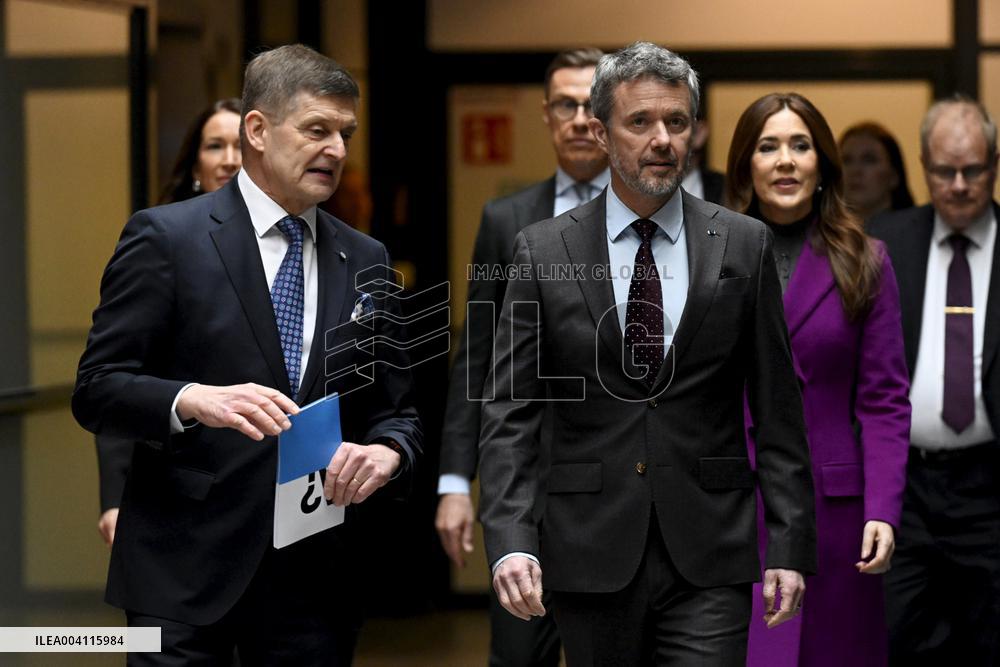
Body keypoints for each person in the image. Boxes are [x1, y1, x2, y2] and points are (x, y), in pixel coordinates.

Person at [73, 44, 422, 665]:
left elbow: (399, 412)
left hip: (315, 578)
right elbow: (98, 388)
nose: (337, 150)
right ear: (257, 130)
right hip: (181, 572)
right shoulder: (166, 237)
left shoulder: (366, 258)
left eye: (346, 134)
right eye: (317, 129)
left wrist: (388, 452)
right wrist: (191, 399)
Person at [477, 42, 817, 665]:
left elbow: (777, 409)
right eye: (640, 122)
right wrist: (509, 538)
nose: (662, 139)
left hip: (711, 549)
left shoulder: (743, 244)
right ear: (603, 134)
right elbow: (510, 412)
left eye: (677, 122)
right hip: (588, 547)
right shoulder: (541, 248)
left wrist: (791, 545)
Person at [725, 92, 911, 666]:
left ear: (821, 164)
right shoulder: (711, 259)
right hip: (734, 505)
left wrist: (883, 506)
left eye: (800, 146)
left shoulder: (866, 259)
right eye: (768, 146)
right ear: (745, 166)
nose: (785, 160)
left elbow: (884, 400)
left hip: (838, 515)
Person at [436, 46, 607, 667]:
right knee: (518, 654)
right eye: (566, 104)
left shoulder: (656, 216)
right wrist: (457, 481)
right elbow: (476, 354)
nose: (580, 117)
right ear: (546, 114)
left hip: (619, 479)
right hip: (526, 483)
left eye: (593, 103)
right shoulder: (505, 220)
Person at [869, 95, 1000, 666]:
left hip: (990, 486)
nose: (960, 184)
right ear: (922, 166)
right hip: (908, 490)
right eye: (945, 171)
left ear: (994, 165)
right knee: (901, 642)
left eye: (974, 169)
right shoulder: (884, 242)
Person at [96, 97, 243, 547]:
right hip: (174, 478)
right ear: (195, 162)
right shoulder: (159, 238)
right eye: (215, 146)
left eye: (240, 146)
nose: (230, 159)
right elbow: (118, 375)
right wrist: (114, 497)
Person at [839, 121, 914, 222]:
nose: (855, 170)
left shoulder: (918, 232)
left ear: (894, 176)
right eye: (846, 160)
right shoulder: (820, 232)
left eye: (869, 160)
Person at [681, 118, 726, 204]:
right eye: (646, 123)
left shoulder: (729, 190)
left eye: (675, 123)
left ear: (699, 133)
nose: (661, 139)